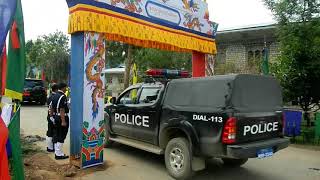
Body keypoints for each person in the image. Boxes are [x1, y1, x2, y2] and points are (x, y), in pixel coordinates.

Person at [52, 83, 69, 160]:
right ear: (63, 88)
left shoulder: (54, 95)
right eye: (65, 88)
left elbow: (51, 107)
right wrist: (63, 121)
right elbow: (62, 109)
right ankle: (59, 154)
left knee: (56, 134)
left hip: (56, 116)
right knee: (62, 135)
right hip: (62, 117)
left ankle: (57, 152)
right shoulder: (62, 96)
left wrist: (52, 116)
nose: (66, 89)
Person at [46, 83, 58, 152]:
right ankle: (51, 148)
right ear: (56, 89)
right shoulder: (54, 97)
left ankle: (49, 147)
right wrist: (52, 117)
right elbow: (51, 107)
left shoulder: (50, 96)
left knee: (50, 131)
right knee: (52, 132)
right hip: (52, 116)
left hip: (49, 115)